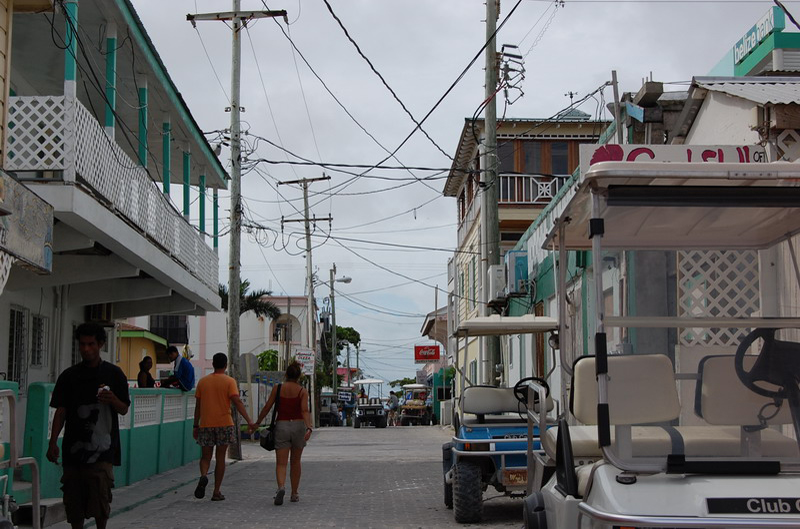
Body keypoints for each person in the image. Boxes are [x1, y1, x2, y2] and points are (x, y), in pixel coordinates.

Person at [47, 323, 130, 529]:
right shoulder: (69, 376)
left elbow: (124, 409)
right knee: (73, 503)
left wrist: (112, 400)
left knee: (100, 499)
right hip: (73, 451)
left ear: (100, 344)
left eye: (91, 344)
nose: (86, 349)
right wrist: (53, 442)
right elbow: (61, 411)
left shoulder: (114, 374)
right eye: (82, 344)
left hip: (103, 451)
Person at [193, 352, 254, 502]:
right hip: (224, 424)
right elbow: (237, 402)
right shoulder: (229, 381)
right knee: (220, 458)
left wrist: (195, 425)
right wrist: (249, 420)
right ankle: (216, 491)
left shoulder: (203, 382)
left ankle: (203, 476)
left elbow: (198, 407)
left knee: (206, 457)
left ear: (213, 364)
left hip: (206, 424)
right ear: (226, 365)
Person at [253, 362, 312, 505]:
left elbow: (267, 407)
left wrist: (257, 423)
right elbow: (304, 410)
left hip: (282, 426)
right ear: (299, 376)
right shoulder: (302, 391)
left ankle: (281, 487)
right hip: (298, 426)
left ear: (286, 375)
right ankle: (294, 493)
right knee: (296, 462)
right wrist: (309, 428)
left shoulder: (278, 388)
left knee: (281, 463)